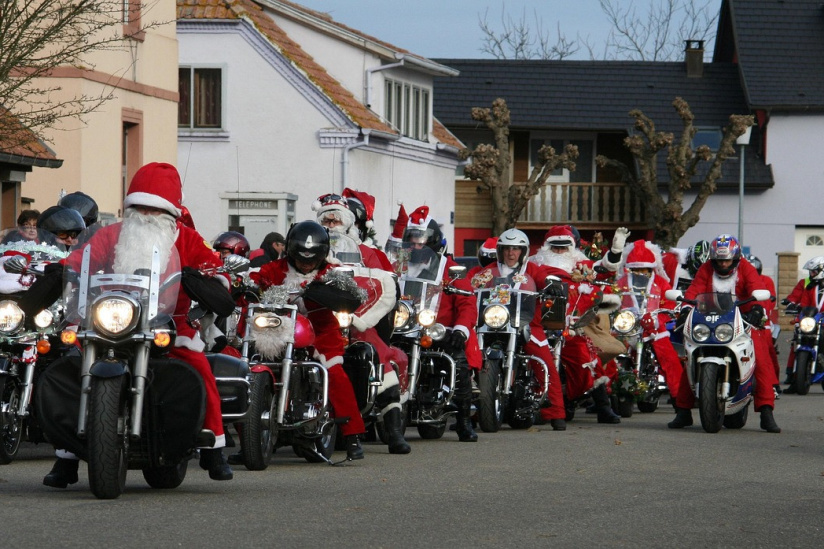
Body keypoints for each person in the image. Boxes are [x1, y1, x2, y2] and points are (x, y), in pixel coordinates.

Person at [39, 162, 235, 488]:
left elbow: (215, 272)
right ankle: (66, 456)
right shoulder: (111, 234)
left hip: (169, 323)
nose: (146, 214)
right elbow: (81, 258)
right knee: (72, 362)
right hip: (109, 320)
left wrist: (207, 282)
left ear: (169, 212)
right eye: (139, 207)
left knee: (198, 364)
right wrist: (60, 270)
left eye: (154, 208)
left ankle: (214, 447)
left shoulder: (186, 238)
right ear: (130, 206)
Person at [250, 220, 367, 460]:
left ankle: (352, 435)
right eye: (302, 258)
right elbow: (256, 280)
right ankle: (249, 438)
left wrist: (330, 292)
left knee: (335, 373)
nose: (306, 263)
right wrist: (245, 286)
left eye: (312, 259)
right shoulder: (274, 269)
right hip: (277, 330)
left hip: (321, 332)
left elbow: (350, 294)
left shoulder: (329, 272)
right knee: (250, 369)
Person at [669, 234, 780, 433]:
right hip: (709, 319)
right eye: (719, 260)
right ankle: (683, 411)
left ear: (736, 258)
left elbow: (757, 287)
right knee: (690, 357)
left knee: (761, 360)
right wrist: (685, 308)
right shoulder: (706, 269)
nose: (723, 264)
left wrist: (756, 308)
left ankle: (766, 412)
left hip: (743, 319)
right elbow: (694, 289)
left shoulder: (746, 267)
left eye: (727, 259)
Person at [470, 229, 567, 430]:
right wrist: (458, 284)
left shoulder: (532, 269)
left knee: (543, 359)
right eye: (507, 248)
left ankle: (556, 412)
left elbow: (544, 279)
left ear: (523, 251)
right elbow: (471, 280)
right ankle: (468, 410)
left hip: (526, 322)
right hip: (491, 321)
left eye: (516, 249)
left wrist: (551, 285)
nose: (511, 253)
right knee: (468, 355)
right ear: (500, 250)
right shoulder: (488, 270)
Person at [400, 206, 479, 441]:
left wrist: (461, 330)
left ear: (432, 241)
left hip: (436, 329)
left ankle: (464, 421)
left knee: (458, 361)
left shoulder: (449, 267)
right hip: (403, 327)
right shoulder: (400, 264)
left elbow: (467, 304)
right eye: (412, 241)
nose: (415, 246)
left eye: (421, 241)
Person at [529, 225, 622, 424]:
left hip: (573, 324)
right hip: (538, 323)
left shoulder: (581, 265)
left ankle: (602, 406)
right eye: (556, 247)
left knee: (586, 355)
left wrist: (615, 252)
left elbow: (604, 270)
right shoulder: (533, 265)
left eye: (564, 247)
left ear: (571, 247)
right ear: (547, 247)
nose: (560, 251)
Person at [611, 240, 689, 413]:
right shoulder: (621, 281)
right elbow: (614, 300)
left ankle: (680, 401)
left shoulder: (661, 282)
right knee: (610, 353)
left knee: (669, 358)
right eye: (636, 269)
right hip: (627, 326)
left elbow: (669, 304)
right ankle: (608, 393)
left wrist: (658, 319)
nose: (640, 273)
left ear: (652, 268)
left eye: (644, 269)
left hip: (654, 327)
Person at [782, 256, 824, 389]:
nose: (811, 274)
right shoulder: (806, 283)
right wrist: (791, 304)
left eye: (813, 272)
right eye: (810, 271)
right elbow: (797, 298)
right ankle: (793, 375)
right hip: (809, 319)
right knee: (797, 341)